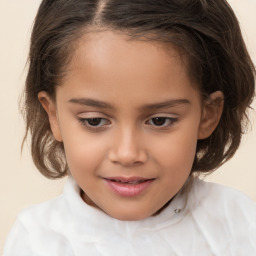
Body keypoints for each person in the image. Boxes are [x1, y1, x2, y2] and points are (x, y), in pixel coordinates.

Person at [3, 0, 256, 255]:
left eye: (160, 120)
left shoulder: (239, 225)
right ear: (54, 115)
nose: (127, 154)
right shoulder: (36, 241)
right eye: (94, 121)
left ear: (207, 115)